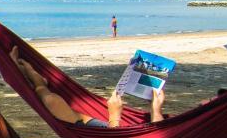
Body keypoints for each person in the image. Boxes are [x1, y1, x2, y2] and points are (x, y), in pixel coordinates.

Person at [10, 46, 165, 127]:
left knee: (50, 99)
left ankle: (32, 76)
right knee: (73, 111)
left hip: (108, 133)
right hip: (108, 130)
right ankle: (36, 79)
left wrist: (114, 115)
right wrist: (156, 109)